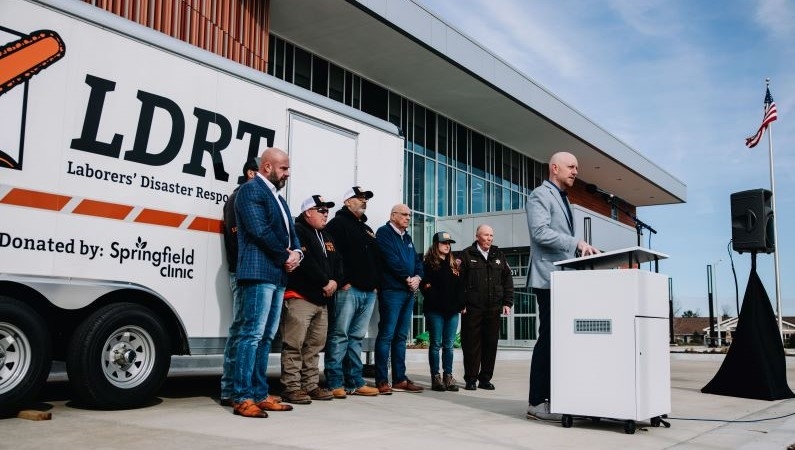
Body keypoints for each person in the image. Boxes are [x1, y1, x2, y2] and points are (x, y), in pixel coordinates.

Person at [525, 151, 599, 421]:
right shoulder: (540, 195)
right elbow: (540, 232)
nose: (576, 171)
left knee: (561, 341)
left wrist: (581, 253)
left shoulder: (563, 198)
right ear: (554, 168)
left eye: (577, 167)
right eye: (571, 166)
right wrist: (575, 243)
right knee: (548, 339)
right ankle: (536, 402)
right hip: (548, 278)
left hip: (564, 278)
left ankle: (557, 397)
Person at [230, 147, 302, 418]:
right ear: (268, 166)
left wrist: (297, 253)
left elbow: (292, 234)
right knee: (251, 335)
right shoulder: (251, 191)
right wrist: (285, 255)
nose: (288, 173)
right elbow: (259, 231)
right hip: (259, 272)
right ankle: (242, 396)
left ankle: (260, 394)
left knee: (266, 337)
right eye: (284, 168)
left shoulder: (279, 199)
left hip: (277, 274)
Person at [279, 194, 343, 405]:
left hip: (321, 301)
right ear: (308, 212)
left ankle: (310, 385)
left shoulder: (327, 236)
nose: (326, 214)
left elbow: (338, 263)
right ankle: (292, 387)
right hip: (300, 297)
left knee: (314, 347)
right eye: (321, 210)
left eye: (327, 210)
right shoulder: (297, 231)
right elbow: (304, 263)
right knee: (294, 345)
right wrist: (325, 282)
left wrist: (335, 281)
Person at [323, 186, 381, 398]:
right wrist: (342, 281)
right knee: (340, 336)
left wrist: (375, 284)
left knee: (356, 337)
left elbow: (376, 259)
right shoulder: (337, 224)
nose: (363, 201)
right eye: (359, 197)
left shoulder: (367, 229)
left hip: (368, 292)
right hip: (348, 290)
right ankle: (334, 382)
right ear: (347, 202)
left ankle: (355, 381)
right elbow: (331, 256)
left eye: (366, 198)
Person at [220, 158, 259, 406]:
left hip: (247, 272)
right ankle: (230, 389)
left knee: (243, 332)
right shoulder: (238, 198)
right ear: (250, 173)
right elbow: (238, 241)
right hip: (243, 272)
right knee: (242, 333)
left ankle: (234, 388)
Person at [374, 204, 425, 394]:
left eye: (410, 215)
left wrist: (418, 278)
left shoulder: (408, 238)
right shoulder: (384, 233)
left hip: (408, 291)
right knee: (387, 335)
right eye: (404, 215)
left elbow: (418, 262)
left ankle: (399, 379)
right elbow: (390, 260)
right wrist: (407, 278)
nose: (408, 218)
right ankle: (381, 380)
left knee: (401, 337)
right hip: (392, 291)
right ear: (393, 215)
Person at [458, 224, 513, 391]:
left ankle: (485, 378)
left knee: (490, 343)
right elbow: (459, 282)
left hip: (493, 308)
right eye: (486, 235)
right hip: (472, 308)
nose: (489, 238)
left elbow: (507, 279)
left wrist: (507, 302)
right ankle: (471, 379)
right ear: (477, 236)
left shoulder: (498, 254)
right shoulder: (467, 254)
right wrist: (461, 303)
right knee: (471, 344)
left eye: (491, 235)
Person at [420, 231, 465, 392]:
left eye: (449, 243)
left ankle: (448, 376)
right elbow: (425, 286)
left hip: (452, 312)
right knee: (436, 344)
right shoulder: (428, 263)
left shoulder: (454, 265)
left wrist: (461, 304)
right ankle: (436, 377)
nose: (447, 245)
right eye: (444, 243)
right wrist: (439, 300)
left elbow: (460, 287)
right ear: (436, 245)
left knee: (449, 346)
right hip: (435, 311)